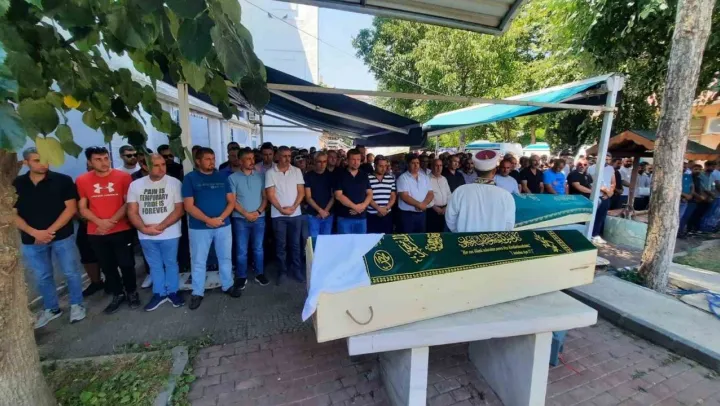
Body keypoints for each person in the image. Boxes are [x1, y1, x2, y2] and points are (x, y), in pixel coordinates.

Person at [14, 148, 86, 328]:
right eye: (37, 160)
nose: (43, 164)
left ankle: (77, 305)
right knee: (42, 276)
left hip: (62, 236)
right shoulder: (17, 184)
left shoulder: (62, 180)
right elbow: (12, 213)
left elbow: (70, 209)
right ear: (26, 163)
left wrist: (48, 232)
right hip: (32, 240)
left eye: (46, 159)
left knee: (71, 272)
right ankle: (51, 308)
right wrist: (34, 232)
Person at [76, 146, 139, 314]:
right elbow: (82, 207)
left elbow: (128, 203)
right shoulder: (82, 180)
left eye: (106, 158)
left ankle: (132, 292)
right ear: (89, 162)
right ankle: (118, 294)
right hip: (96, 231)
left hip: (121, 229)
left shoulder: (123, 177)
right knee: (107, 266)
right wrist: (99, 222)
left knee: (127, 264)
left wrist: (112, 221)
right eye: (98, 159)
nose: (104, 162)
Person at [127, 154, 185, 311]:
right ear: (145, 166)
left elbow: (179, 210)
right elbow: (132, 211)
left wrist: (161, 226)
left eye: (163, 164)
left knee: (171, 263)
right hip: (146, 235)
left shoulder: (174, 183)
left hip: (170, 233)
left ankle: (173, 292)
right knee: (155, 265)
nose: (161, 168)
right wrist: (143, 228)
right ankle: (159, 293)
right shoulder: (135, 185)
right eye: (156, 165)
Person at [182, 147, 237, 310]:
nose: (211, 162)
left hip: (223, 225)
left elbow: (231, 202)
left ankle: (228, 285)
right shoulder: (190, 178)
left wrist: (220, 219)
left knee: (225, 257)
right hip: (199, 227)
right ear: (198, 161)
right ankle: (197, 292)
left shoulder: (222, 177)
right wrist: (208, 220)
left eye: (213, 158)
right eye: (207, 159)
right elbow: (188, 206)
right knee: (199, 261)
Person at [228, 149, 270, 291]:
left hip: (259, 217)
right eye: (248, 159)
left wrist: (258, 212)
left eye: (253, 158)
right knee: (241, 250)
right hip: (240, 219)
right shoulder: (233, 178)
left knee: (258, 248)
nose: (252, 161)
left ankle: (259, 273)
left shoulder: (260, 176)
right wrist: (246, 214)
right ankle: (241, 276)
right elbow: (232, 201)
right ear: (240, 161)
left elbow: (265, 197)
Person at [446, 150, 515, 232]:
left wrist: (460, 233)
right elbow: (509, 225)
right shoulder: (506, 196)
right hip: (494, 239)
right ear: (494, 171)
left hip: (465, 238)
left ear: (475, 170)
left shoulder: (460, 191)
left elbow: (450, 219)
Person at [266, 146, 306, 284]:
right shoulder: (270, 172)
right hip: (278, 216)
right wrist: (281, 210)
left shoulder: (297, 171)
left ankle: (296, 270)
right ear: (277, 156)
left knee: (295, 244)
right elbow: (270, 195)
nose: (287, 159)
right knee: (280, 246)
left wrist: (294, 207)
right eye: (284, 156)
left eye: (289, 156)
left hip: (296, 214)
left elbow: (301, 192)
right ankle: (282, 271)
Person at [334, 149, 373, 234]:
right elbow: (338, 195)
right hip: (345, 217)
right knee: (345, 241)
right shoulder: (340, 174)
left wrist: (362, 206)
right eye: (353, 159)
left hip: (361, 217)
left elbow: (370, 193)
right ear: (347, 160)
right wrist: (355, 207)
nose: (356, 162)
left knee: (361, 242)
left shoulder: (364, 175)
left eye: (358, 159)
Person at [397, 154, 434, 233]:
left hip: (422, 213)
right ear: (408, 164)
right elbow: (404, 196)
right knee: (408, 237)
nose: (416, 165)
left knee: (421, 237)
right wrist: (419, 205)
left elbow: (430, 193)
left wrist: (424, 204)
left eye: (417, 163)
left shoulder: (425, 177)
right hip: (408, 215)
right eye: (413, 163)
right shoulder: (402, 178)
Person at [304, 152, 335, 238]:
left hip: (328, 214)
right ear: (314, 162)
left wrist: (325, 211)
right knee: (314, 241)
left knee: (326, 242)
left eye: (324, 161)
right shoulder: (308, 176)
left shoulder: (331, 176)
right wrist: (320, 211)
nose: (322, 164)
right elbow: (308, 197)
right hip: (313, 214)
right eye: (319, 162)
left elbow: (333, 196)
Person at [591, 154, 617, 244]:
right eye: (605, 159)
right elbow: (596, 182)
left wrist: (610, 193)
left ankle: (595, 235)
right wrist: (608, 192)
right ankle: (589, 234)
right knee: (593, 216)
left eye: (609, 159)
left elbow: (613, 182)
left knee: (601, 217)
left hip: (606, 196)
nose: (607, 161)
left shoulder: (611, 168)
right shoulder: (592, 168)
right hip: (596, 196)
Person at [367, 155, 397, 234]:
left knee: (387, 238)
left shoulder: (390, 178)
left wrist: (386, 208)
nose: (383, 168)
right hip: (372, 215)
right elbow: (367, 196)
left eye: (385, 166)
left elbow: (393, 196)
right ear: (375, 165)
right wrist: (379, 209)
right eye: (381, 166)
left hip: (387, 214)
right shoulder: (367, 178)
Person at [428, 159, 451, 232]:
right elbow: (425, 195)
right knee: (433, 233)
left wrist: (446, 207)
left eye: (440, 165)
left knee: (443, 233)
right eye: (436, 165)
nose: (439, 168)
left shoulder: (444, 179)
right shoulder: (426, 179)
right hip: (432, 210)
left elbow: (448, 194)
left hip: (445, 210)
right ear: (431, 167)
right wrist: (435, 207)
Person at [679, 166, 698, 237]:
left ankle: (679, 232)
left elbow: (692, 187)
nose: (684, 168)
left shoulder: (688, 176)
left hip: (685, 200)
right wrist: (685, 195)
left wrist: (690, 195)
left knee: (680, 217)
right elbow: (674, 187)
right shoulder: (674, 176)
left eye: (685, 167)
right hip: (679, 199)